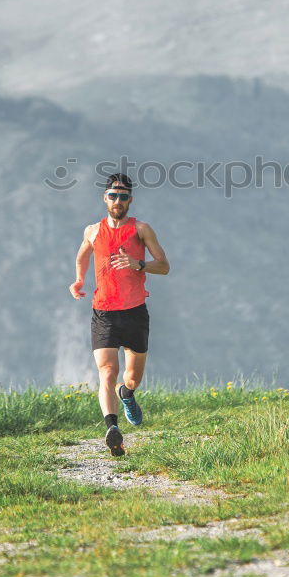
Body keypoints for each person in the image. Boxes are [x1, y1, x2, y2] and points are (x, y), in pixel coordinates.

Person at [69, 173, 170, 456]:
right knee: (107, 371)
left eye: (123, 196)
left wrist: (138, 263)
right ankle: (112, 428)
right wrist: (79, 280)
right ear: (105, 198)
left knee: (132, 378)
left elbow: (164, 266)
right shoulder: (93, 231)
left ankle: (127, 394)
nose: (117, 200)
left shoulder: (142, 229)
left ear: (130, 200)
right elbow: (82, 256)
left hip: (135, 312)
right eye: (113, 195)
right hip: (103, 313)